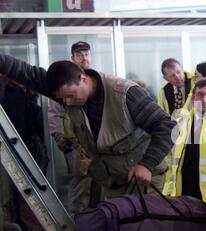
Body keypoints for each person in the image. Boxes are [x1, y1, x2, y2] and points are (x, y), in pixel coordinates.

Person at [0, 54, 176, 195]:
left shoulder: (124, 94)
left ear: (83, 79)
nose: (67, 103)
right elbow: (27, 73)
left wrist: (147, 164)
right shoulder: (66, 90)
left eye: (70, 96)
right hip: (114, 182)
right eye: (62, 99)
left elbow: (168, 127)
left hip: (145, 180)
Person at [0, 76, 50, 231]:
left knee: (26, 194)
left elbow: (33, 119)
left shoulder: (24, 92)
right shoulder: (7, 93)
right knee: (9, 196)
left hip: (27, 147)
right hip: (8, 149)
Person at [163, 78, 206, 205]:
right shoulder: (180, 122)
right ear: (193, 98)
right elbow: (170, 160)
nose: (204, 100)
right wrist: (168, 191)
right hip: (182, 191)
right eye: (200, 95)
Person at [47, 41, 93, 216]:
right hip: (74, 144)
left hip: (94, 143)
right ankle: (76, 222)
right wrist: (60, 138)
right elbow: (54, 113)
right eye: (80, 55)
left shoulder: (94, 80)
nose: (84, 58)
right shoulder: (65, 81)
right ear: (73, 58)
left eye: (87, 54)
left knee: (97, 182)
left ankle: (93, 220)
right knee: (79, 183)